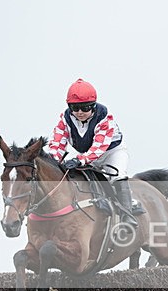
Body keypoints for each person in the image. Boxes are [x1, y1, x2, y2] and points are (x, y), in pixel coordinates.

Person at [46, 78, 137, 228]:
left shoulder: (104, 117)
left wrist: (80, 160)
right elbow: (57, 143)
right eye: (75, 108)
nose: (80, 112)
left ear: (93, 106)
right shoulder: (65, 119)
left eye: (85, 107)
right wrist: (53, 162)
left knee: (118, 176)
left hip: (111, 153)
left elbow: (99, 148)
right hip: (88, 155)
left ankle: (128, 217)